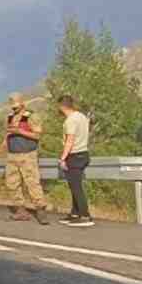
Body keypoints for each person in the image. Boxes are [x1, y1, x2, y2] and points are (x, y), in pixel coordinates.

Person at [0, 93, 49, 225]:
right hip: (12, 155)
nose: (14, 109)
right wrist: (4, 143)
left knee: (32, 183)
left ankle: (40, 210)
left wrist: (20, 132)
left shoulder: (32, 116)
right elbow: (8, 133)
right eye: (12, 106)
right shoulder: (9, 117)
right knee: (12, 184)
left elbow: (37, 135)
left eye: (16, 106)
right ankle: (20, 211)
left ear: (22, 103)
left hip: (28, 155)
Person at [57, 95, 94, 227]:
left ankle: (85, 215)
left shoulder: (70, 120)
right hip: (84, 153)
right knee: (74, 185)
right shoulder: (82, 116)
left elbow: (70, 140)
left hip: (74, 155)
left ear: (61, 106)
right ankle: (75, 213)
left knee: (76, 187)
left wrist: (63, 158)